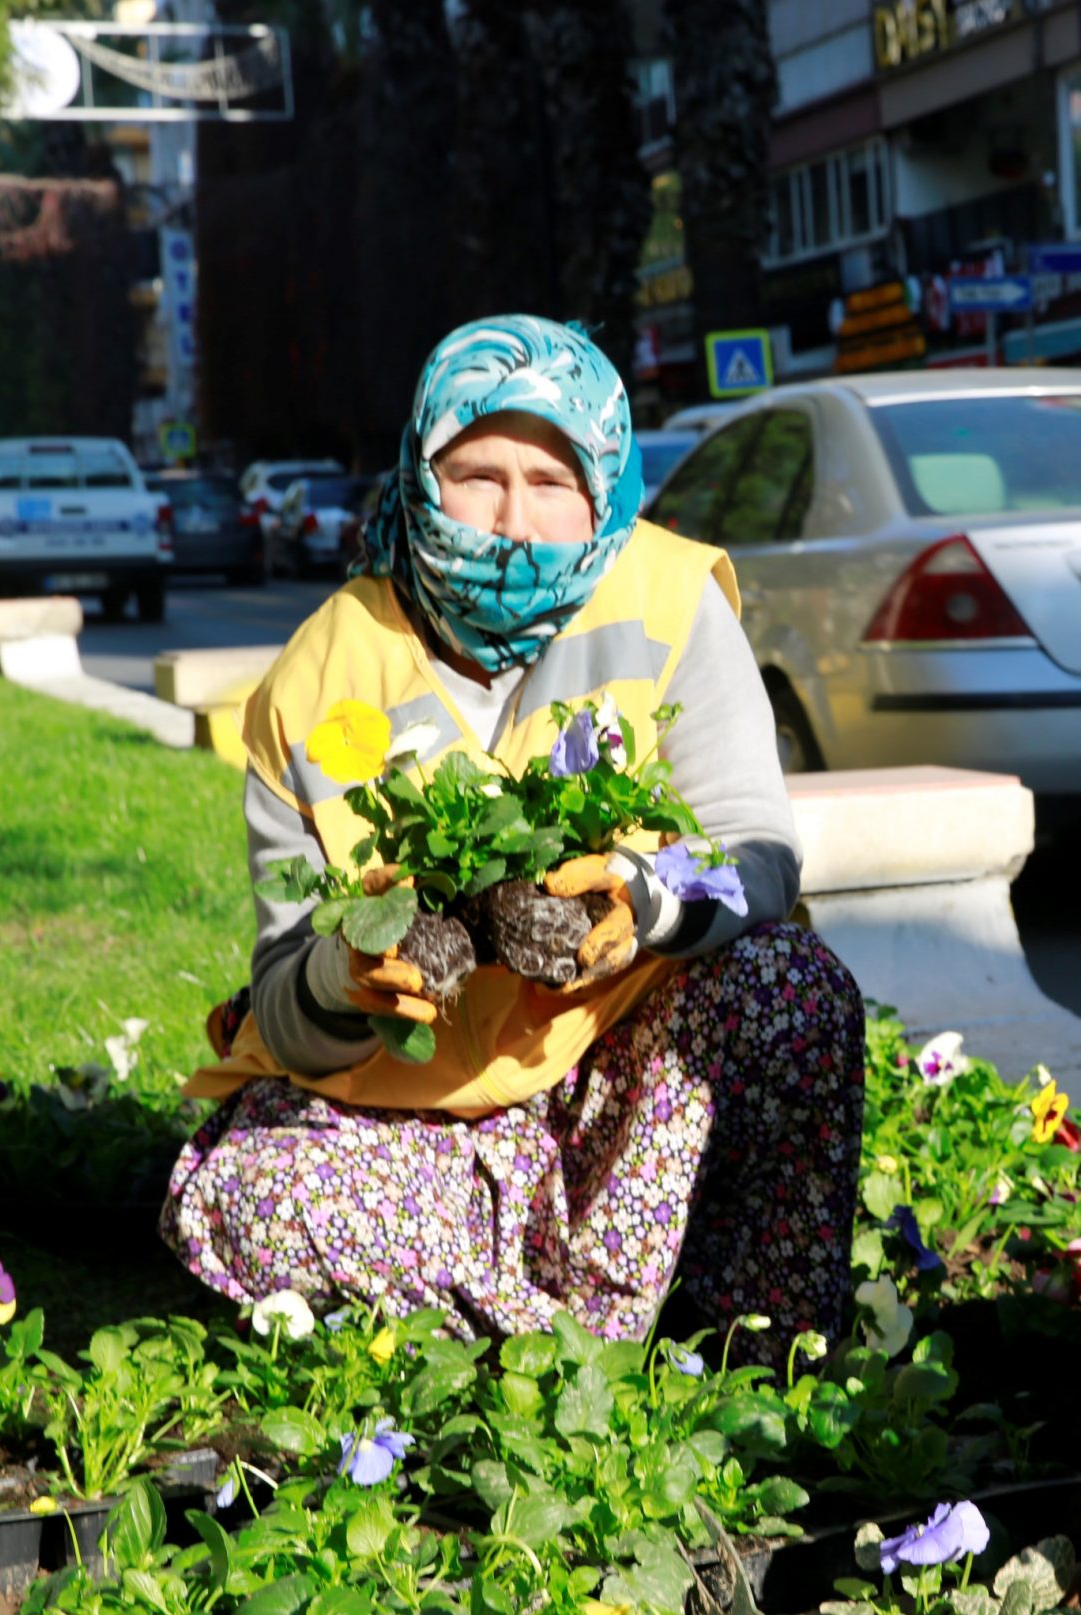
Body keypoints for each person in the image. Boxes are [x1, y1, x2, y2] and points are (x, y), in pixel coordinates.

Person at [164, 317, 861, 1359]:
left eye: (551, 482)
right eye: (476, 476)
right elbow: (280, 1002)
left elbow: (758, 852)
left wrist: (645, 902)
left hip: (617, 1098)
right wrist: (348, 977)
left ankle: (752, 1351)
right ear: (419, 476)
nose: (514, 522)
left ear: (604, 490)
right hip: (408, 1124)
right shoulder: (314, 676)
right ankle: (584, 1340)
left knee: (792, 989)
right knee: (252, 1198)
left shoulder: (671, 600)